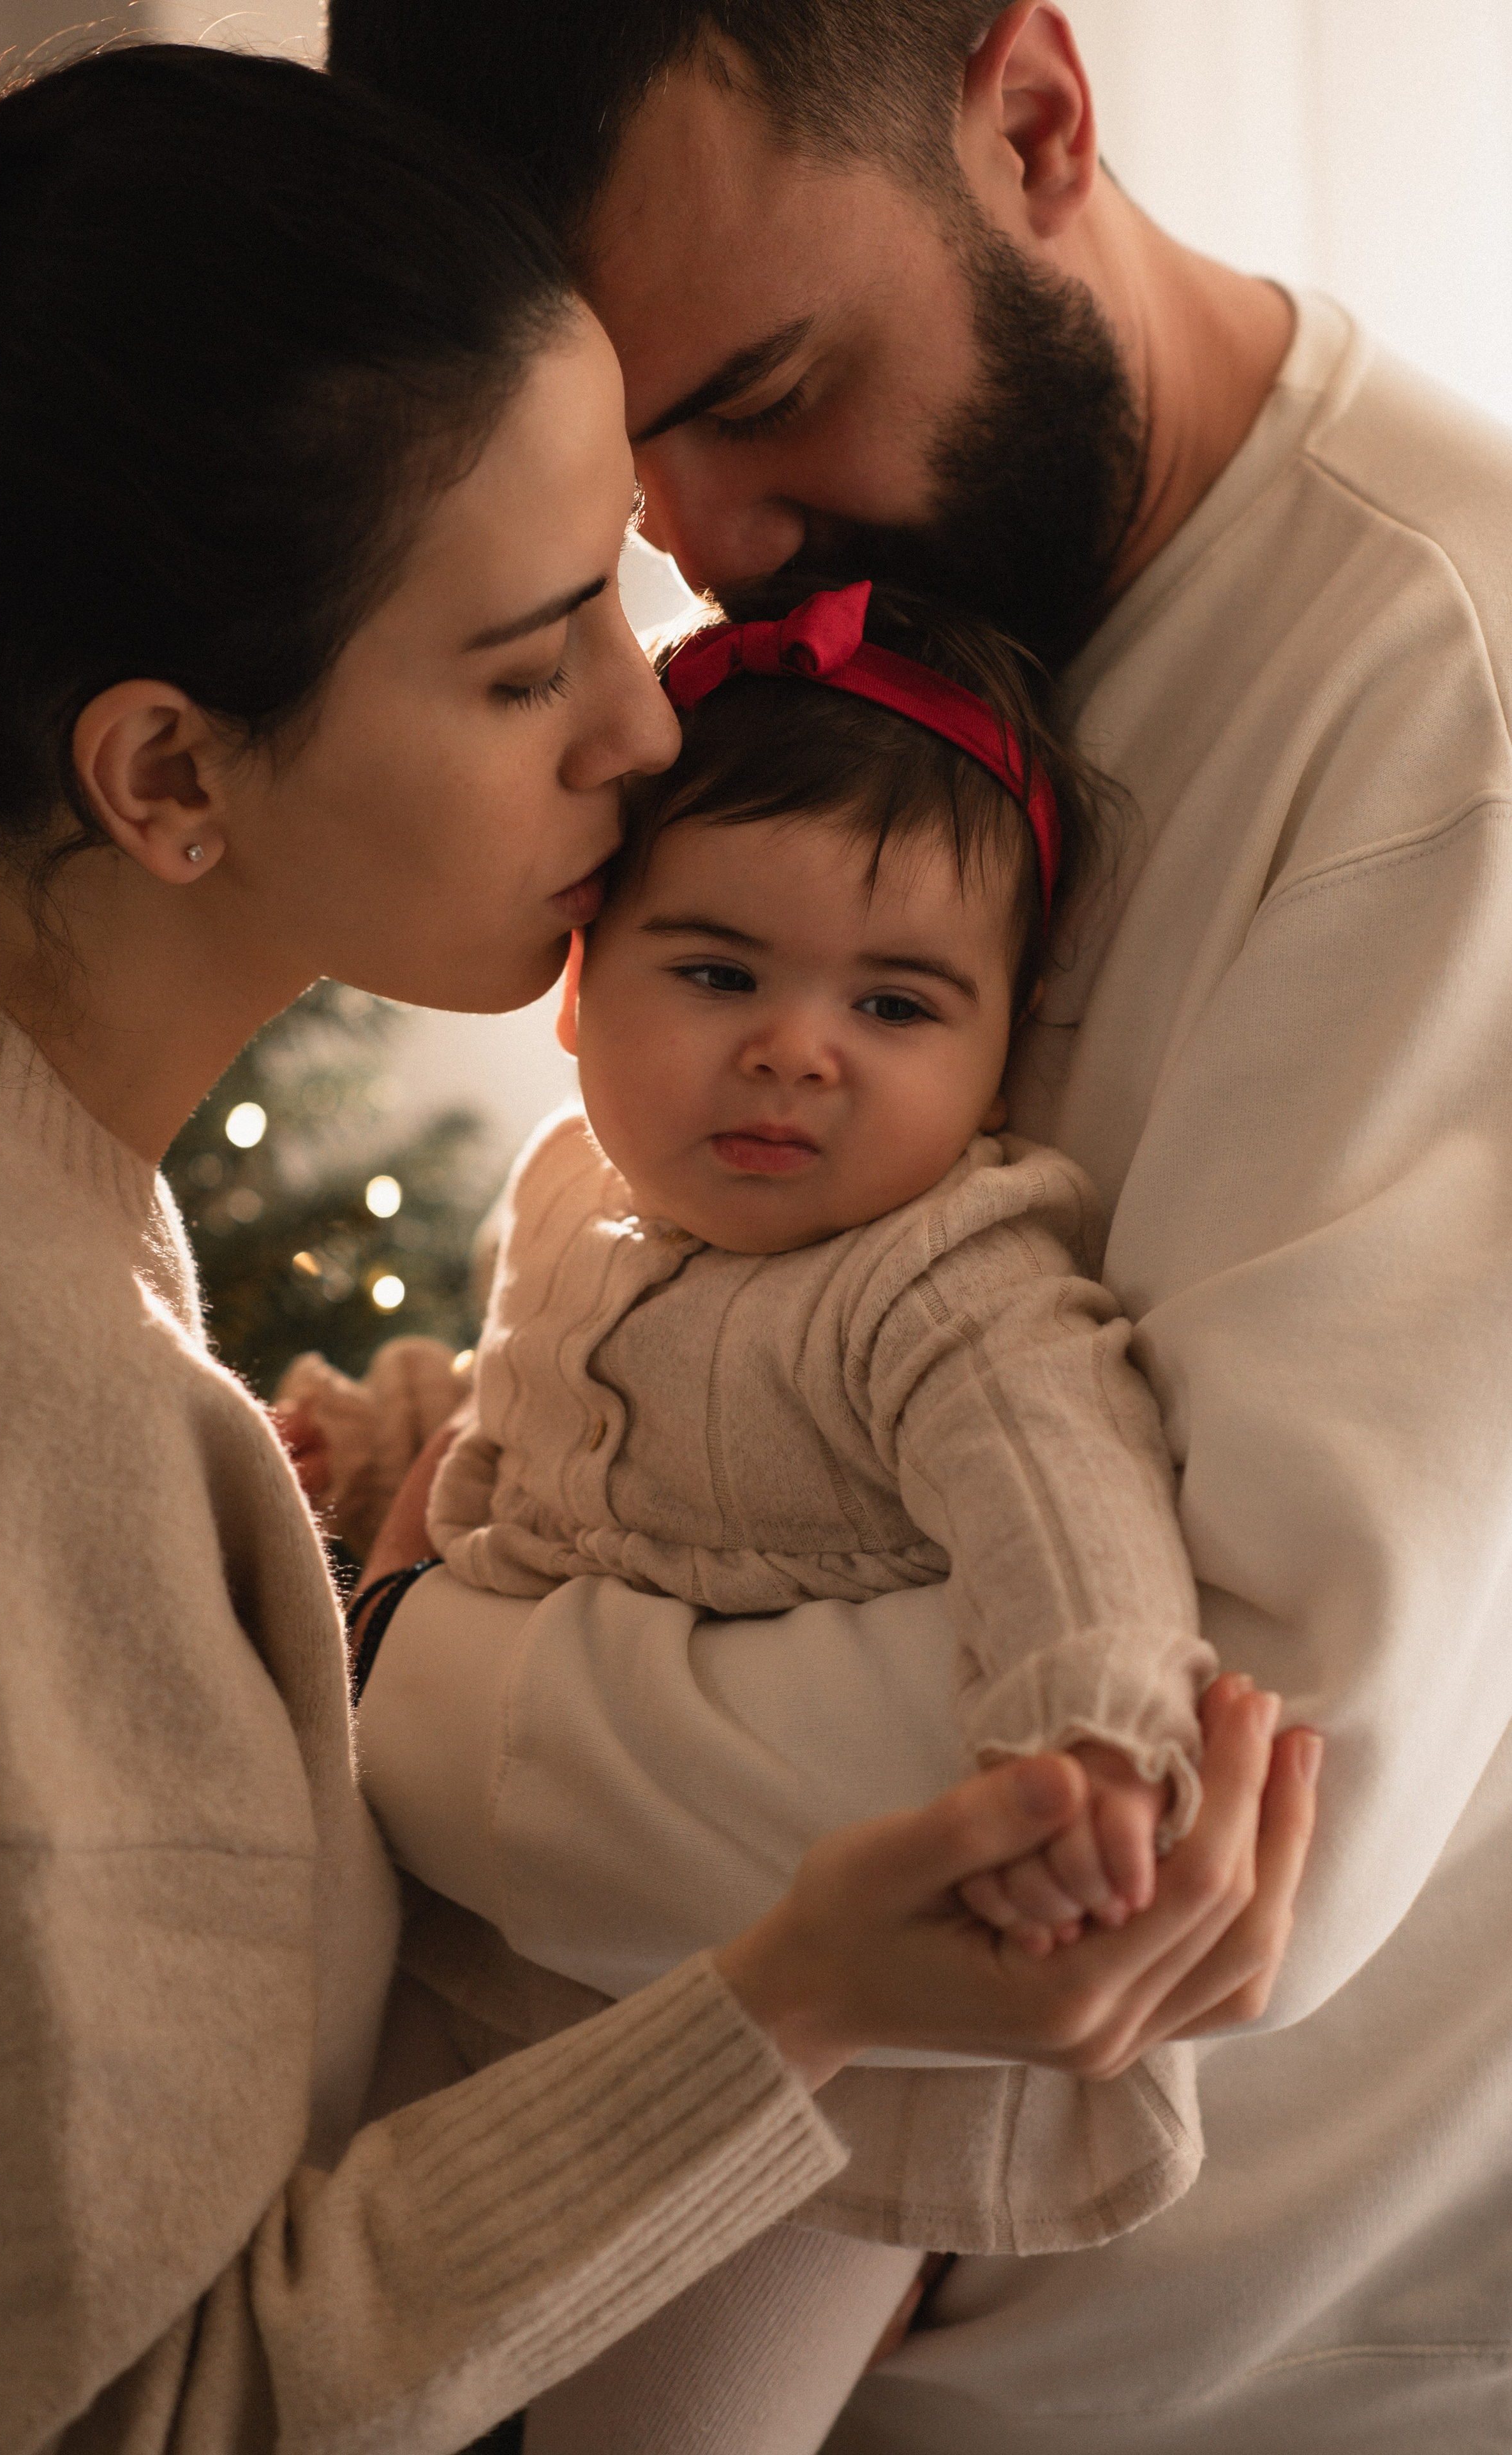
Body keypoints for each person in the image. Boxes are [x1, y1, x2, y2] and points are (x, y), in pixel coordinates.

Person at [0, 25, 1317, 2455]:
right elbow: (121, 2413)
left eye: (618, 608)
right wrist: (795, 2004)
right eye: (530, 656)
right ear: (167, 777)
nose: (652, 736)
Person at [328, 1, 1512, 2447]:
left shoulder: (1444, 697)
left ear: (1040, 118)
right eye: (624, 456)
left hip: (1230, 2385)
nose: (708, 550)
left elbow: (1205, 1806)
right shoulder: (904, 636)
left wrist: (402, 1674)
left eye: (762, 390)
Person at [355, 572, 1224, 2452]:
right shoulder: (572, 1194)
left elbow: (1070, 1524)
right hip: (495, 1953)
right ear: (584, 985)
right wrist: (424, 1539)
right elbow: (508, 1450)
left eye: (896, 1002)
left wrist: (1094, 1749)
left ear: (1009, 1044)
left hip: (822, 2115)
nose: (794, 1048)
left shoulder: (947, 1282)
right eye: (719, 970)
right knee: (363, 2349)